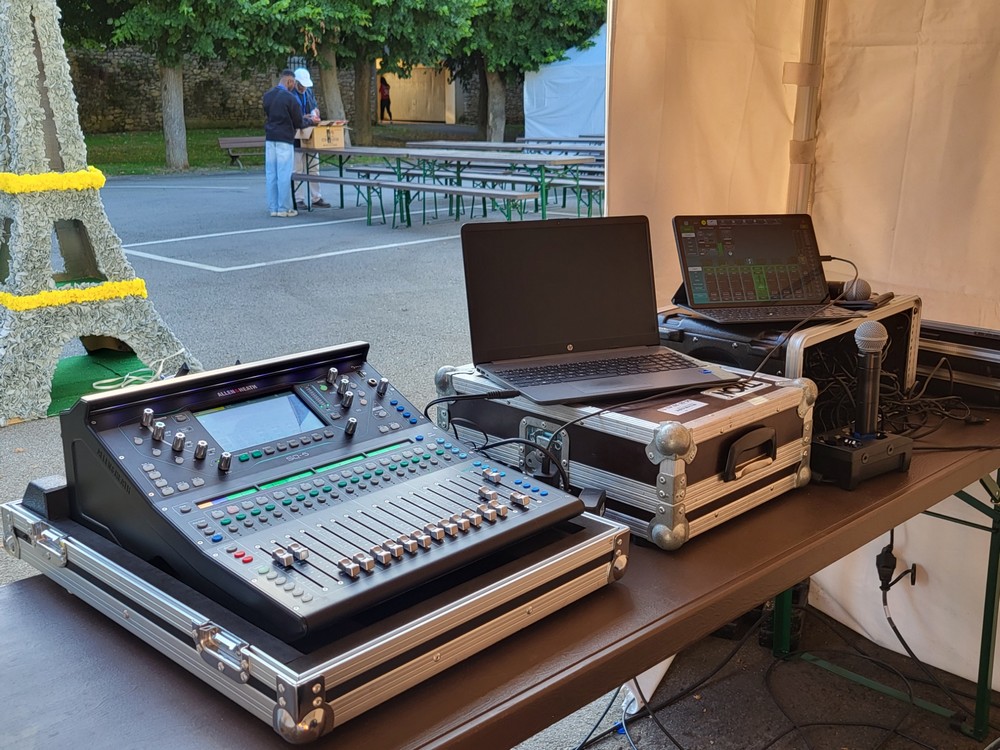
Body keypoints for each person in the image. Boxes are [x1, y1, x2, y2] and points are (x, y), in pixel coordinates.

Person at [262, 69, 306, 217]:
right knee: (284, 174)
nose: (293, 86)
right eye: (293, 83)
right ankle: (284, 208)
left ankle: (273, 207)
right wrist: (311, 121)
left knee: (271, 174)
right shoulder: (290, 98)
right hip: (284, 139)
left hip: (270, 138)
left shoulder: (267, 96)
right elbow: (299, 121)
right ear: (289, 81)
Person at [291, 68, 331, 209]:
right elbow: (292, 116)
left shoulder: (308, 92)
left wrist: (315, 112)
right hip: (296, 136)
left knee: (314, 167)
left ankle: (316, 197)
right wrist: (303, 117)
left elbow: (314, 106)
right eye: (301, 85)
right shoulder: (290, 94)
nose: (303, 88)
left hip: (311, 134)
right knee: (298, 169)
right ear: (296, 83)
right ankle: (299, 198)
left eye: (305, 86)